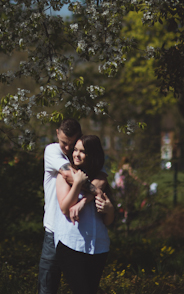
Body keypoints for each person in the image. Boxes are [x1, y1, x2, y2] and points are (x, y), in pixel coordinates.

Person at [54, 135, 115, 294]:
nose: (76, 154)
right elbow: (65, 208)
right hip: (72, 244)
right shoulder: (65, 176)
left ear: (92, 154)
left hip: (98, 247)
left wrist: (109, 210)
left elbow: (108, 221)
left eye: (82, 151)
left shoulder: (100, 178)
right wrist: (78, 184)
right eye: (75, 150)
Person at [39, 118, 82, 294]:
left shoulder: (80, 152)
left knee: (82, 286)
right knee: (48, 285)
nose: (67, 148)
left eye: (72, 144)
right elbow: (70, 175)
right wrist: (93, 187)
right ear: (57, 133)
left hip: (76, 231)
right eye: (64, 142)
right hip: (54, 231)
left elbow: (100, 174)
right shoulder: (52, 151)